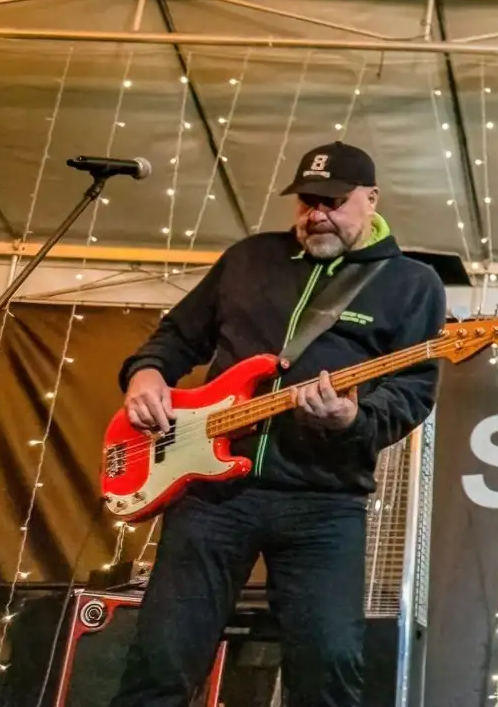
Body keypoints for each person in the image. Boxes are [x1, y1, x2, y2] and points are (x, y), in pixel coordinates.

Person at [111, 141, 448, 707]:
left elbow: (413, 392)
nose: (316, 214)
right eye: (307, 201)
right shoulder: (249, 258)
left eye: (333, 202)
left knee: (329, 667)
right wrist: (145, 375)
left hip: (323, 499)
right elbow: (177, 336)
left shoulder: (412, 283)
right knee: (161, 660)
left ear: (371, 199)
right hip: (212, 498)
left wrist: (352, 418)